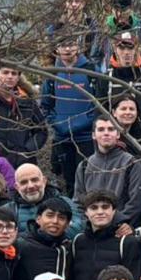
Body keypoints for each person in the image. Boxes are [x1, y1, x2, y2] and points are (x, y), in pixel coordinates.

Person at [42, 38, 100, 187]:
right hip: (62, 137)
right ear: (56, 49)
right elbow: (45, 106)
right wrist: (57, 123)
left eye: (71, 44)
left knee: (89, 182)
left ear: (79, 47)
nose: (67, 49)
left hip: (87, 137)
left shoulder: (91, 70)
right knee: (67, 183)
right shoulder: (52, 75)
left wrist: (87, 122)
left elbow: (101, 102)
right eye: (63, 45)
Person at [0, 62, 49, 169]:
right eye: (5, 72)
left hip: (25, 162)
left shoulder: (27, 103)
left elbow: (41, 131)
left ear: (18, 77)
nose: (10, 76)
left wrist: (28, 150)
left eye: (14, 73)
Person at [76, 119, 141, 228]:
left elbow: (136, 201)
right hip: (91, 230)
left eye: (111, 129)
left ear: (118, 134)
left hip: (121, 229)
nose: (106, 133)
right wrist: (87, 225)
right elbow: (78, 202)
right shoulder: (84, 165)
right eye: (101, 129)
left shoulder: (130, 163)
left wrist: (119, 223)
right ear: (93, 135)